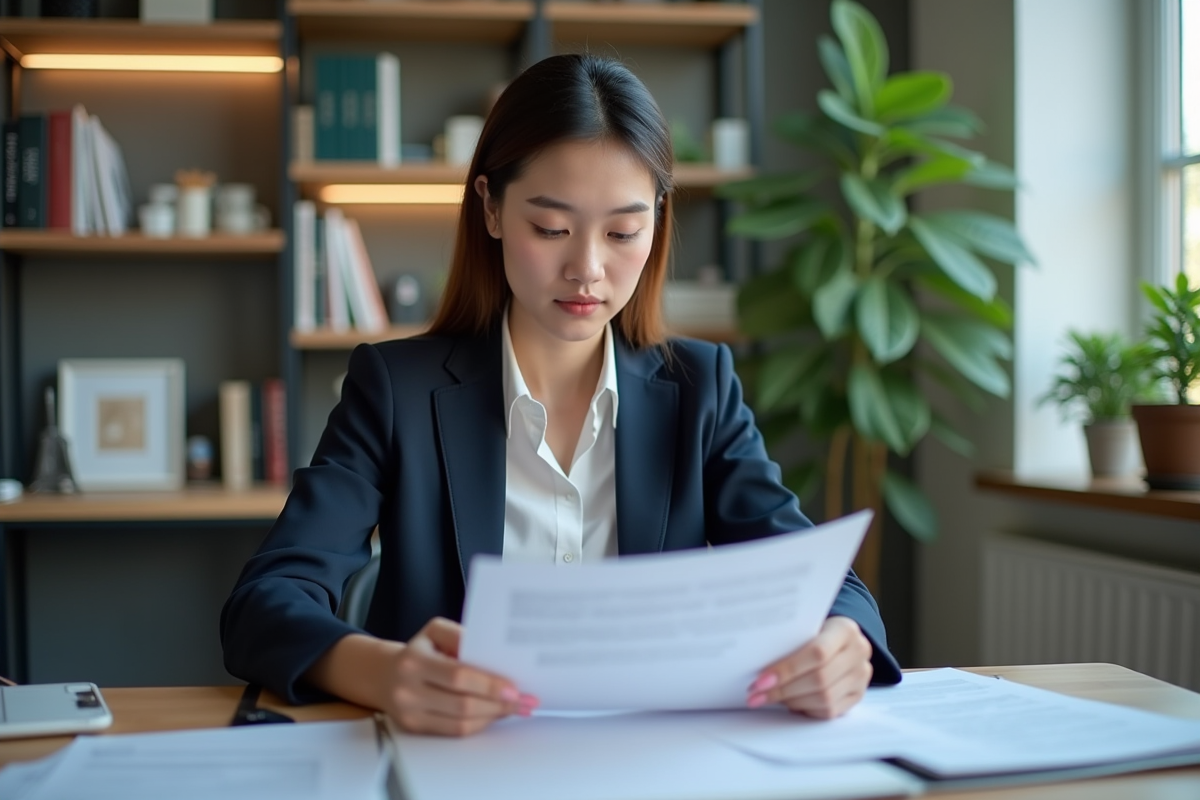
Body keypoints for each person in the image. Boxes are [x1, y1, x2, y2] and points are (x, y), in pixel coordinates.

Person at [221, 53, 901, 738]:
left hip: (653, 765)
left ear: (658, 222)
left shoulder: (701, 390)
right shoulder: (397, 389)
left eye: (623, 232)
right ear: (489, 206)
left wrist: (844, 640)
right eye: (551, 228)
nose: (587, 269)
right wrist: (384, 673)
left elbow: (820, 578)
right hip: (456, 764)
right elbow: (265, 601)